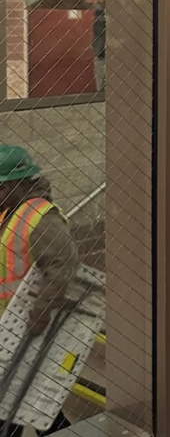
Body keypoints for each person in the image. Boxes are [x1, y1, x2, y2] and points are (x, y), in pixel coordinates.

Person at [0, 146, 76, 436]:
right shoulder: (9, 211)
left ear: (8, 187)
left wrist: (41, 313)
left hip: (27, 325)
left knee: (15, 405)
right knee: (33, 406)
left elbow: (62, 266)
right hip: (10, 327)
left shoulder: (42, 218)